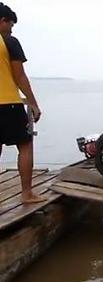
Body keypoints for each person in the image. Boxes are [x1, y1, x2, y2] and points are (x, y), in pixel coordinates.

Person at [0, 3, 45, 203]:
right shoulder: (9, 42)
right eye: (10, 24)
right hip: (8, 102)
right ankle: (26, 193)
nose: (11, 29)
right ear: (2, 21)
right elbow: (19, 76)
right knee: (25, 145)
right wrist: (34, 104)